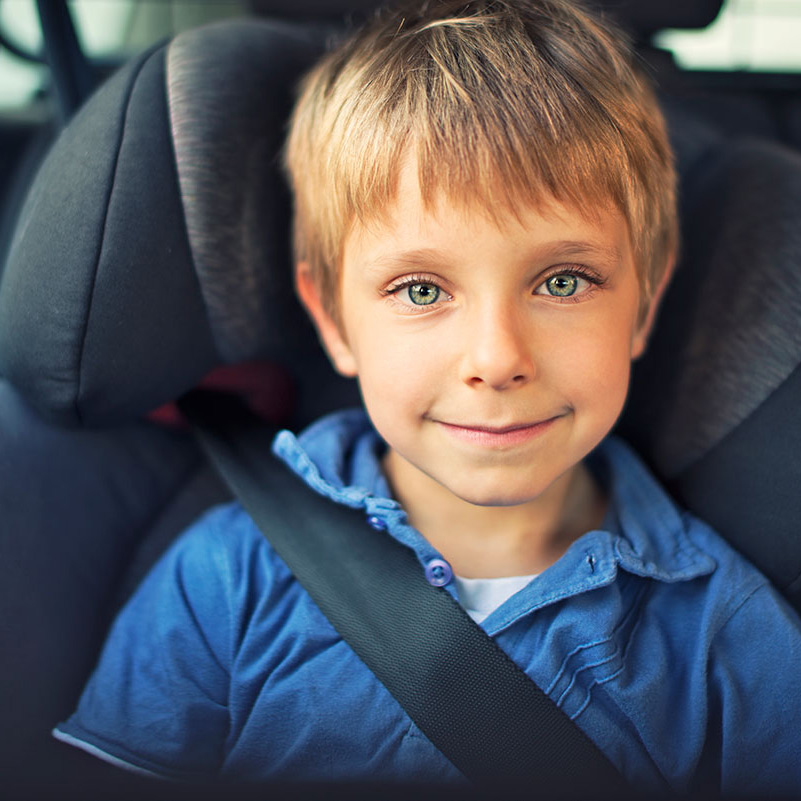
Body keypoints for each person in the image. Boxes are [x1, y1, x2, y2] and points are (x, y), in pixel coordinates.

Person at [54, 0, 801, 795]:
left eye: (561, 280)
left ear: (644, 306)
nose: (496, 358)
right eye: (420, 288)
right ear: (333, 320)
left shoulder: (728, 636)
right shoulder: (227, 576)